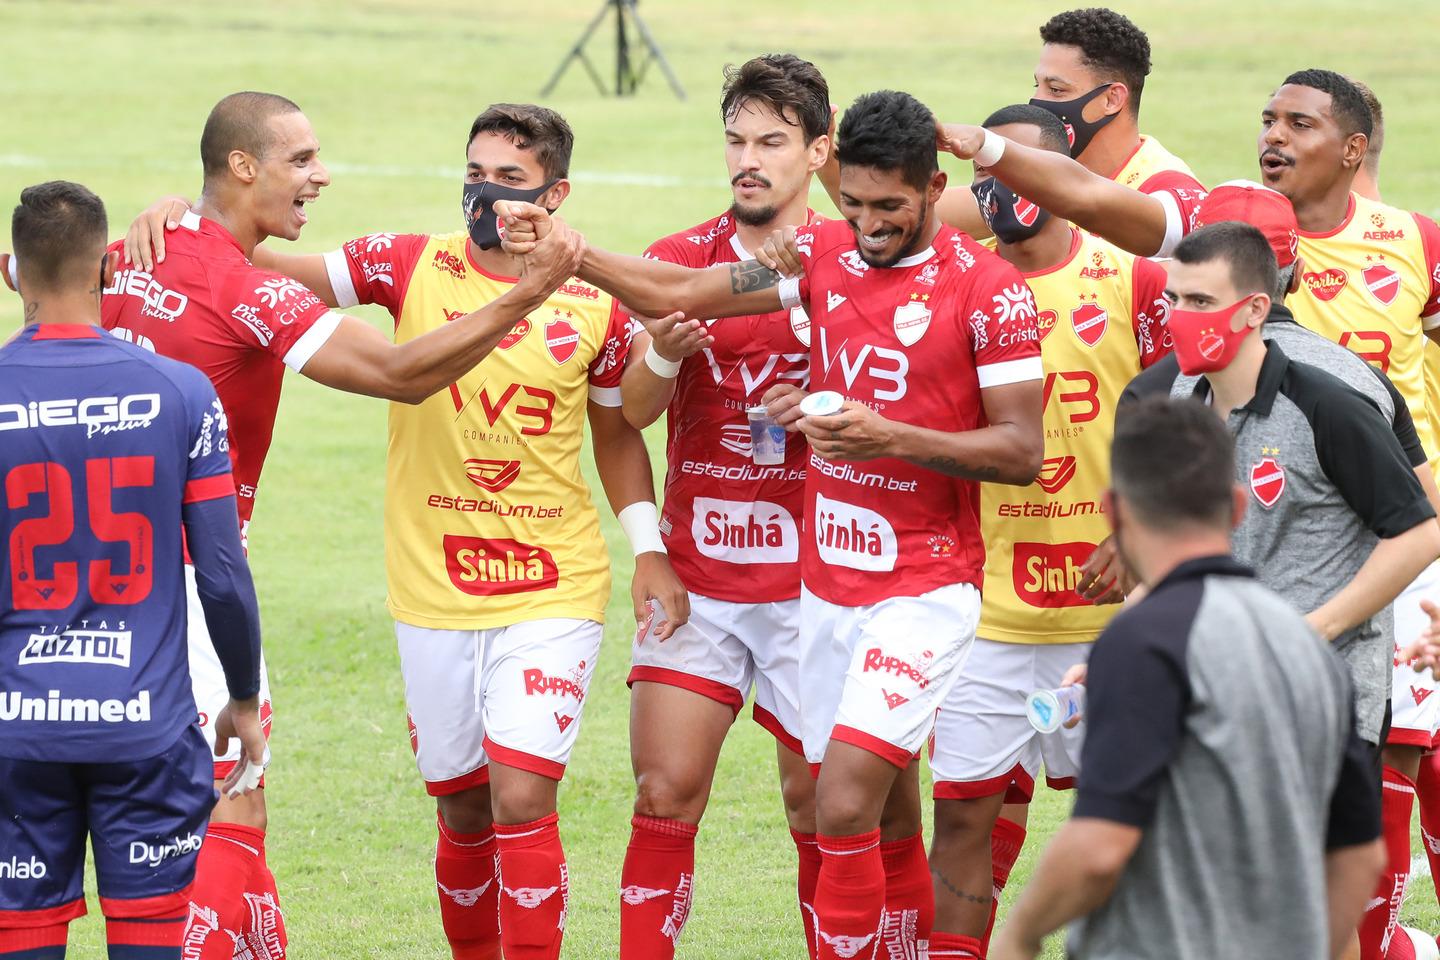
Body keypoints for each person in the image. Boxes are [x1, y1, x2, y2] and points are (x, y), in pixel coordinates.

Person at [3, 91, 586, 960]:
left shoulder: (114, 258)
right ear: (243, 166)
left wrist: (166, 214)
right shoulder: (246, 290)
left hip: (48, 602)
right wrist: (523, 298)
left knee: (69, 861)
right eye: (301, 160)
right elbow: (396, 372)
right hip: (186, 597)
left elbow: (29, 269)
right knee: (229, 806)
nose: (320, 176)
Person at [123, 102, 684, 960]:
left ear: (557, 193)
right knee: (461, 805)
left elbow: (622, 426)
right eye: (475, 175)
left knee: (523, 796)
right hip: (431, 588)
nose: (487, 196)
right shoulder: (408, 261)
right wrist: (180, 219)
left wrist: (648, 538)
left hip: (552, 583)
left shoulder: (591, 304)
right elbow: (260, 267)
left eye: (510, 181)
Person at [501, 89, 1045, 960]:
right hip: (817, 591)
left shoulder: (988, 292)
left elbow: (1021, 450)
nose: (868, 225)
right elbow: (680, 294)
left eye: (890, 208)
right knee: (758, 802)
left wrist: (884, 434)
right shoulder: (816, 260)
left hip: (920, 589)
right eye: (855, 204)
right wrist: (573, 254)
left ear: (932, 187)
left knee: (838, 803)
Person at [988, 396, 1385, 960]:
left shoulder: (1142, 640)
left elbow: (1100, 848)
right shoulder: (1311, 647)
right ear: (1238, 506)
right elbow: (1359, 857)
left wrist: (1021, 935)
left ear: (1114, 509)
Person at [922, 103, 1171, 960]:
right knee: (962, 811)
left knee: (1135, 824)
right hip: (984, 610)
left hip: (1112, 613)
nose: (1005, 190)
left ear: (1063, 181)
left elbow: (1192, 419)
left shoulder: (1133, 281)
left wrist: (1136, 530)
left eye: (1022, 172)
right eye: (991, 175)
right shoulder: (953, 283)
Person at [0, 181, 266, 959]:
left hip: (16, 733)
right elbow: (220, 573)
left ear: (13, 270)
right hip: (145, 731)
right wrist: (244, 698)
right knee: (150, 939)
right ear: (105, 272)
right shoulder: (181, 391)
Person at [615, 54, 827, 960]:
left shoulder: (849, 258)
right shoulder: (674, 263)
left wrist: (817, 397)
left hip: (820, 580)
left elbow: (911, 405)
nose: (750, 159)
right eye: (737, 140)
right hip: (697, 575)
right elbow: (625, 416)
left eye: (772, 142)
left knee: (822, 804)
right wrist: (663, 354)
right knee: (664, 792)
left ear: (818, 151)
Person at [1341, 78, 1440, 958]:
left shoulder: (1415, 242)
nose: (1273, 137)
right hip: (1293, 535)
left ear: (1356, 145)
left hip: (1409, 536)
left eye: (1299, 122)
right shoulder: (1252, 247)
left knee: (1398, 752)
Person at [919, 7, 1206, 255]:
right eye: (1037, 86)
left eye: (1056, 90)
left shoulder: (1175, 192)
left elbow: (1082, 197)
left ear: (1112, 99)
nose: (1038, 103)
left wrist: (988, 144)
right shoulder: (1032, 178)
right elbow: (918, 212)